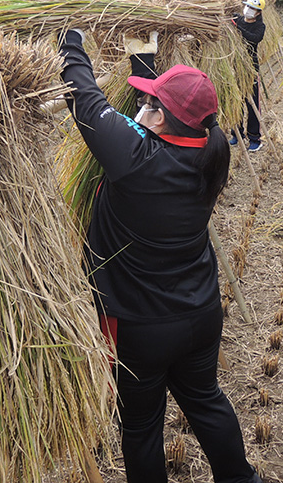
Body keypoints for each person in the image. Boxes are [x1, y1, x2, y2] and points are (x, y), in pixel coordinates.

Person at [59, 28, 262, 483]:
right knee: (205, 400)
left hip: (141, 327)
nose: (140, 109)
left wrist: (71, 39)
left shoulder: (136, 158)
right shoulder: (210, 152)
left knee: (142, 426)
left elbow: (86, 100)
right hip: (201, 313)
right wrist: (141, 56)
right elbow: (141, 120)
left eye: (150, 104)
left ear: (164, 119)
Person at [229, 0, 266, 152]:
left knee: (252, 104)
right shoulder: (237, 19)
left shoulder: (260, 26)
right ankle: (236, 134)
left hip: (250, 69)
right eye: (247, 6)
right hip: (234, 67)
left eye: (252, 8)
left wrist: (237, 28)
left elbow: (254, 39)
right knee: (235, 102)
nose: (248, 10)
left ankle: (254, 138)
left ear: (258, 13)